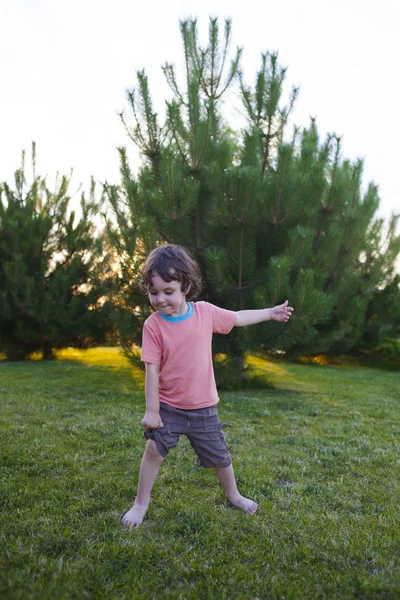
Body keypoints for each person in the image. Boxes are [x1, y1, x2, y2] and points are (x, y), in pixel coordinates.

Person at [121, 244, 293, 528]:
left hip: (203, 409)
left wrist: (269, 313)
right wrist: (153, 411)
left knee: (219, 456)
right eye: (153, 292)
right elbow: (151, 370)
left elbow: (237, 318)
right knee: (153, 451)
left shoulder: (205, 313)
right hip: (169, 409)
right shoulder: (153, 326)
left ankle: (234, 494)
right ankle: (141, 503)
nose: (160, 299)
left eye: (168, 291)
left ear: (185, 286)